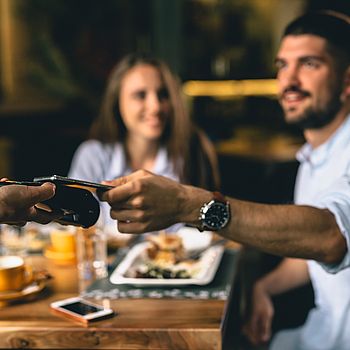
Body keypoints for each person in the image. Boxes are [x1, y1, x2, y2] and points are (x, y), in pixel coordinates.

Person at [99, 11, 350, 350]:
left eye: (309, 64)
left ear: (347, 81)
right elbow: (313, 251)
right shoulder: (312, 158)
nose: (288, 80)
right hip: (316, 334)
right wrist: (264, 286)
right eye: (281, 65)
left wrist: (187, 205)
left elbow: (331, 236)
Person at [69, 53, 220, 229]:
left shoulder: (193, 152)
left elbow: (210, 228)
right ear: (116, 102)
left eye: (163, 94)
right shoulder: (93, 155)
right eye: (140, 95)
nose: (155, 106)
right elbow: (75, 228)